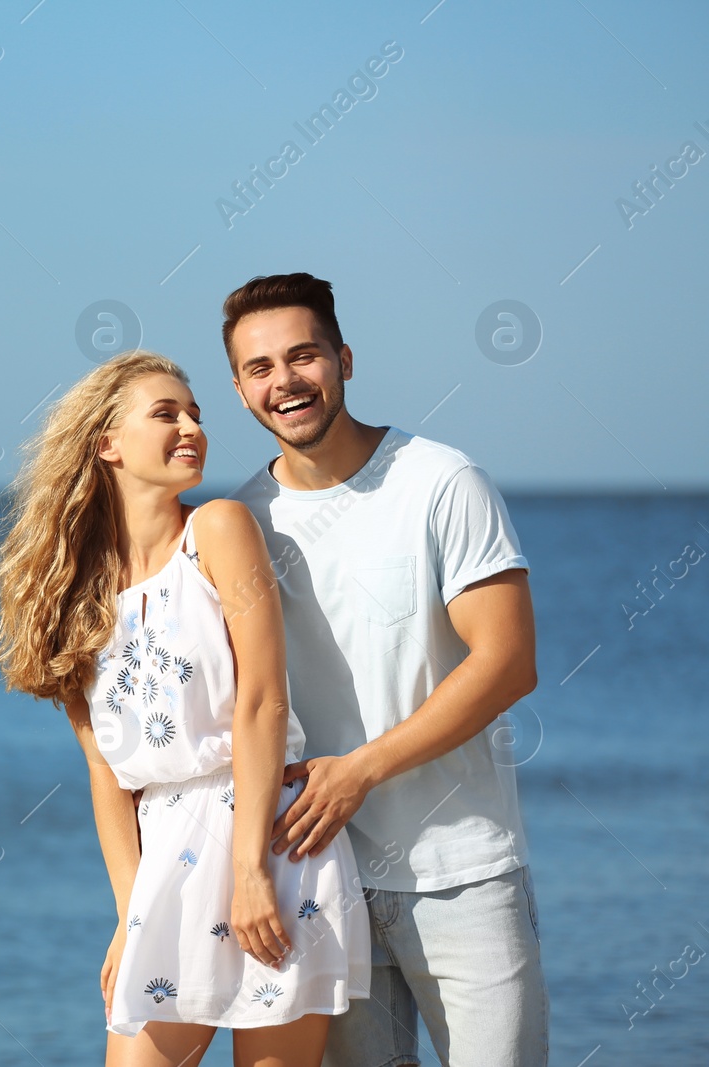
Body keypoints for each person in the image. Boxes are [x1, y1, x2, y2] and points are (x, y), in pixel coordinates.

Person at [0, 350, 369, 1067]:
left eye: (196, 414)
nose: (192, 427)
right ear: (107, 444)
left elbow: (260, 702)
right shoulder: (72, 594)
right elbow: (104, 773)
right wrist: (131, 914)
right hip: (165, 858)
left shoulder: (217, 529)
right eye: (166, 413)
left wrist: (249, 870)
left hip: (269, 844)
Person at [222, 273, 549, 1066]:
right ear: (239, 390)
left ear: (345, 358)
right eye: (260, 367)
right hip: (321, 882)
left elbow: (507, 660)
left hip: (463, 873)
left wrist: (360, 770)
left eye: (304, 356)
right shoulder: (239, 522)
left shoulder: (439, 481)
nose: (285, 381)